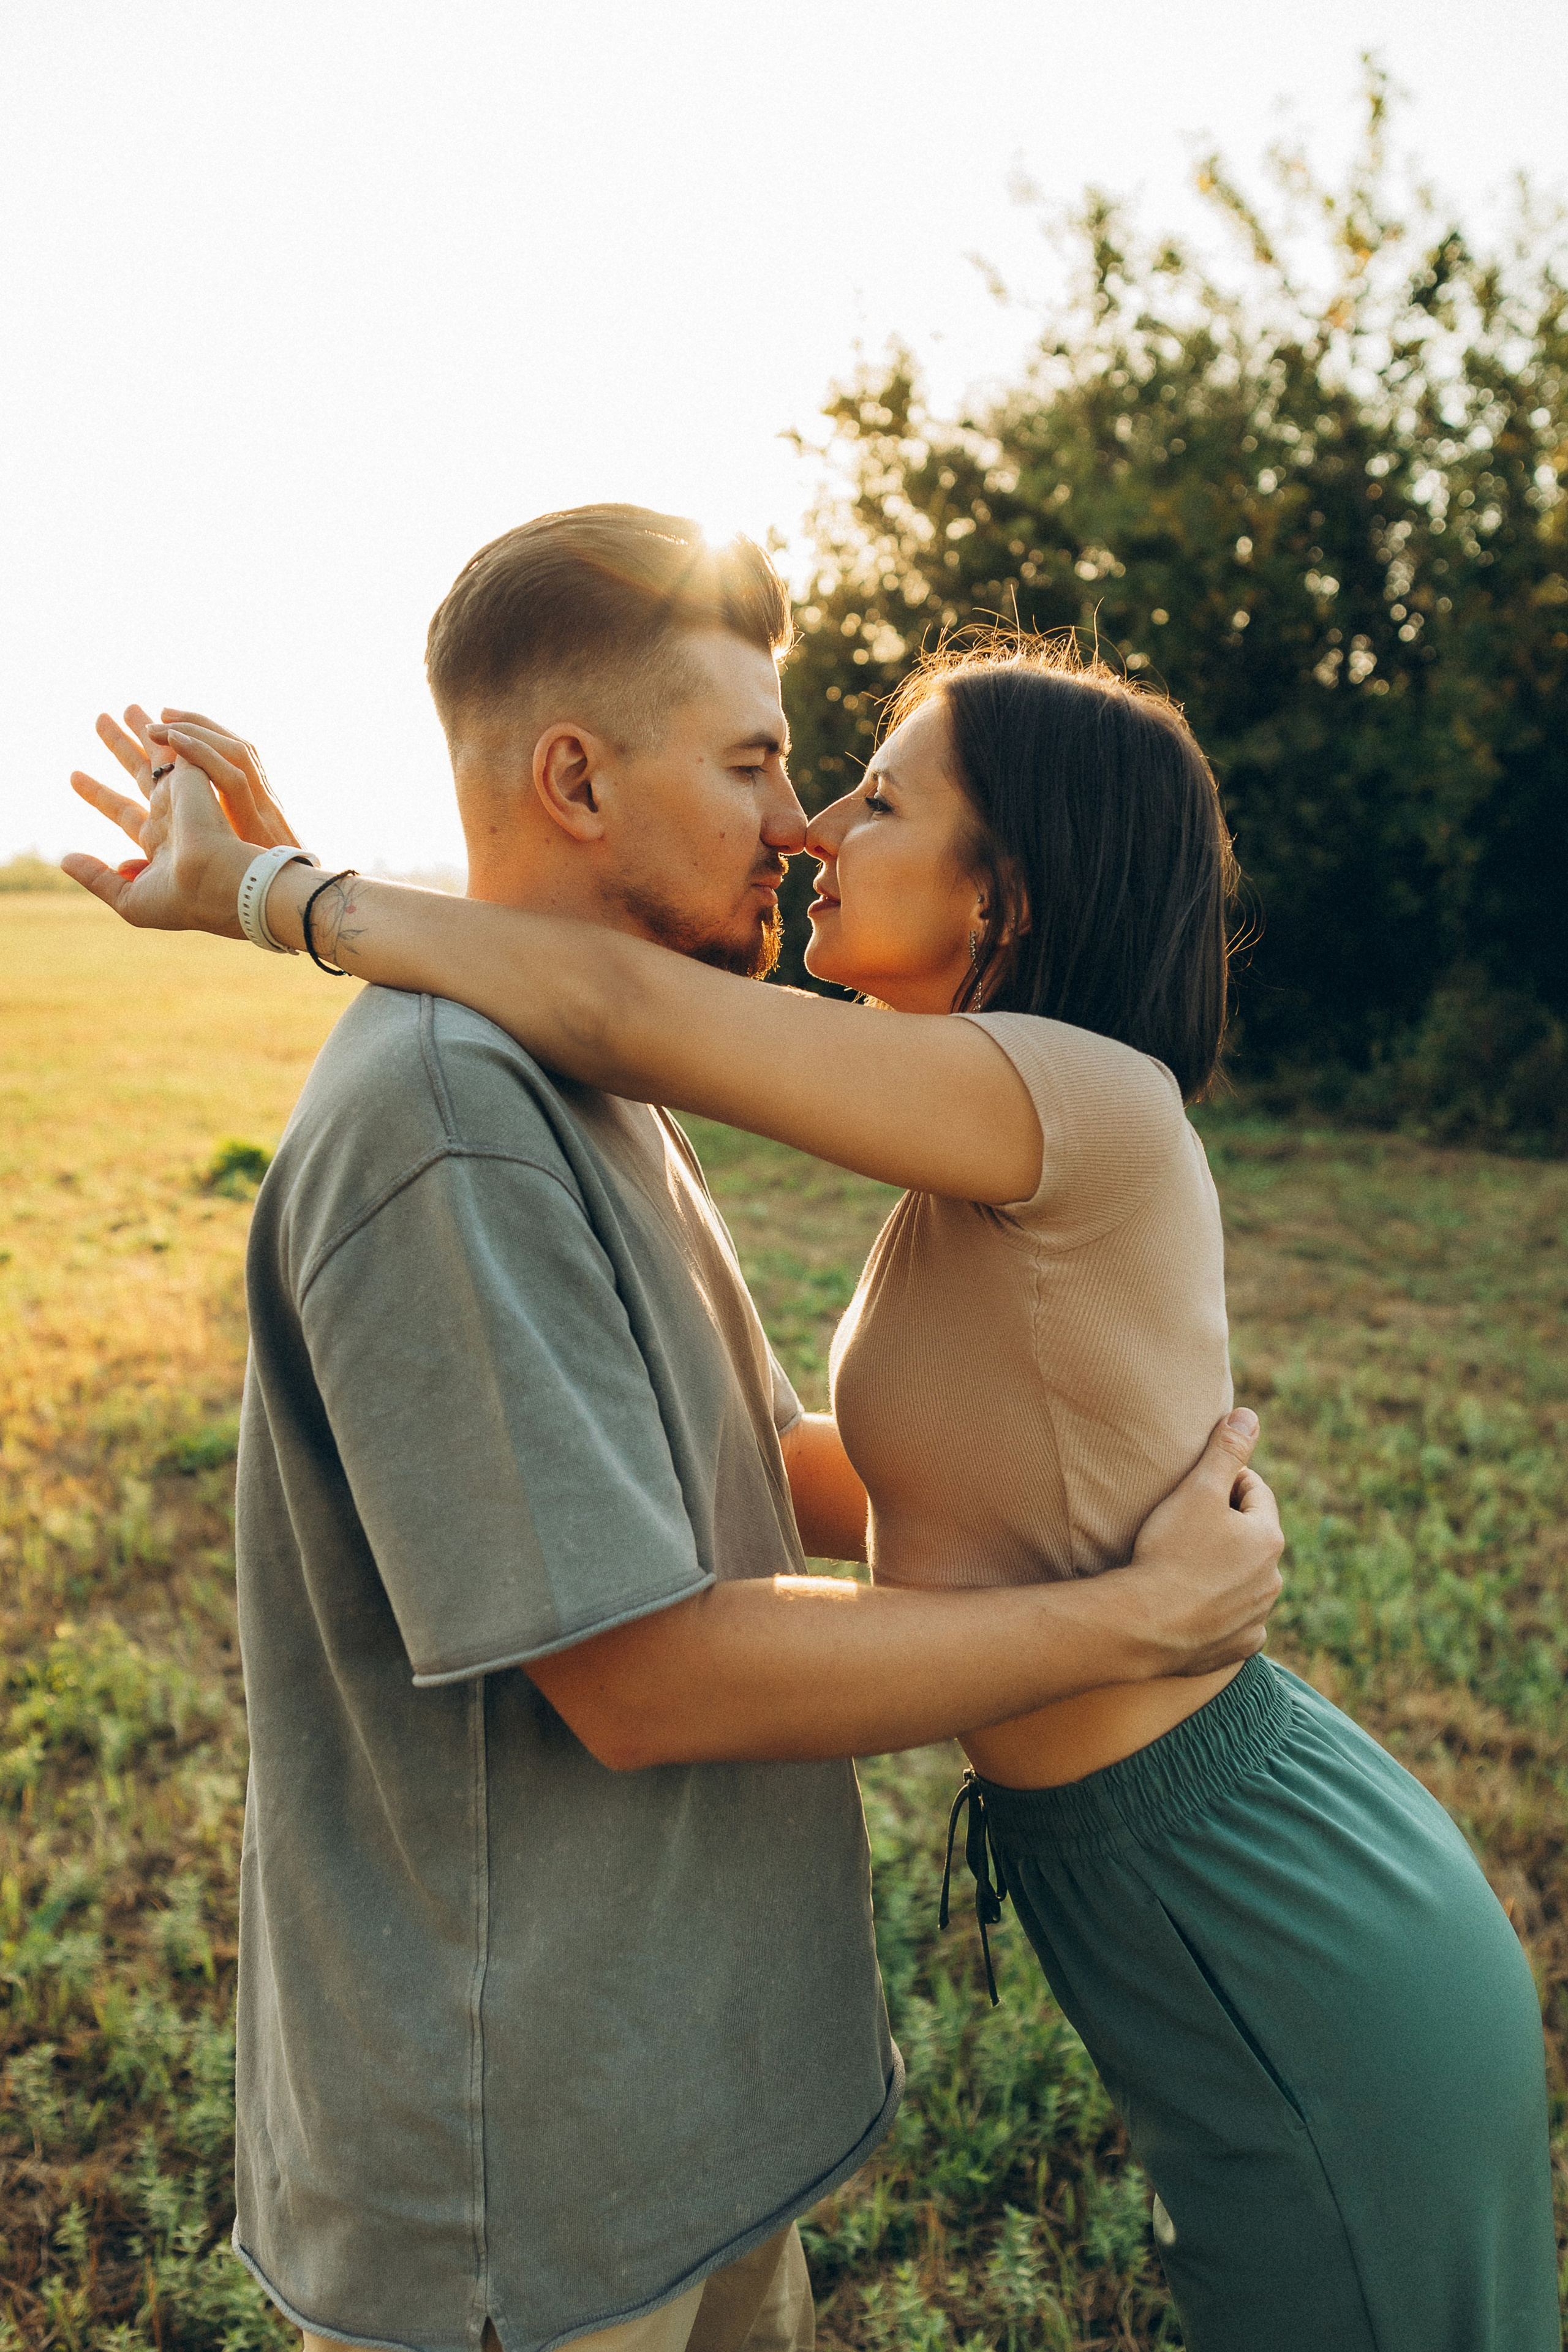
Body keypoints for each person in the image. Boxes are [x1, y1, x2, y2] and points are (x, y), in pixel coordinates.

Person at [77, 514, 1558, 2351]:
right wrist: (1132, 1605)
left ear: (1003, 894)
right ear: (578, 774)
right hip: (1162, 1885)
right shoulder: (844, 1144)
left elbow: (626, 1005)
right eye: (780, 768)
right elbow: (761, 1474)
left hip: (1260, 1893)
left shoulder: (1065, 1098)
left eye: (860, 795)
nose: (806, 829)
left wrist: (274, 892)